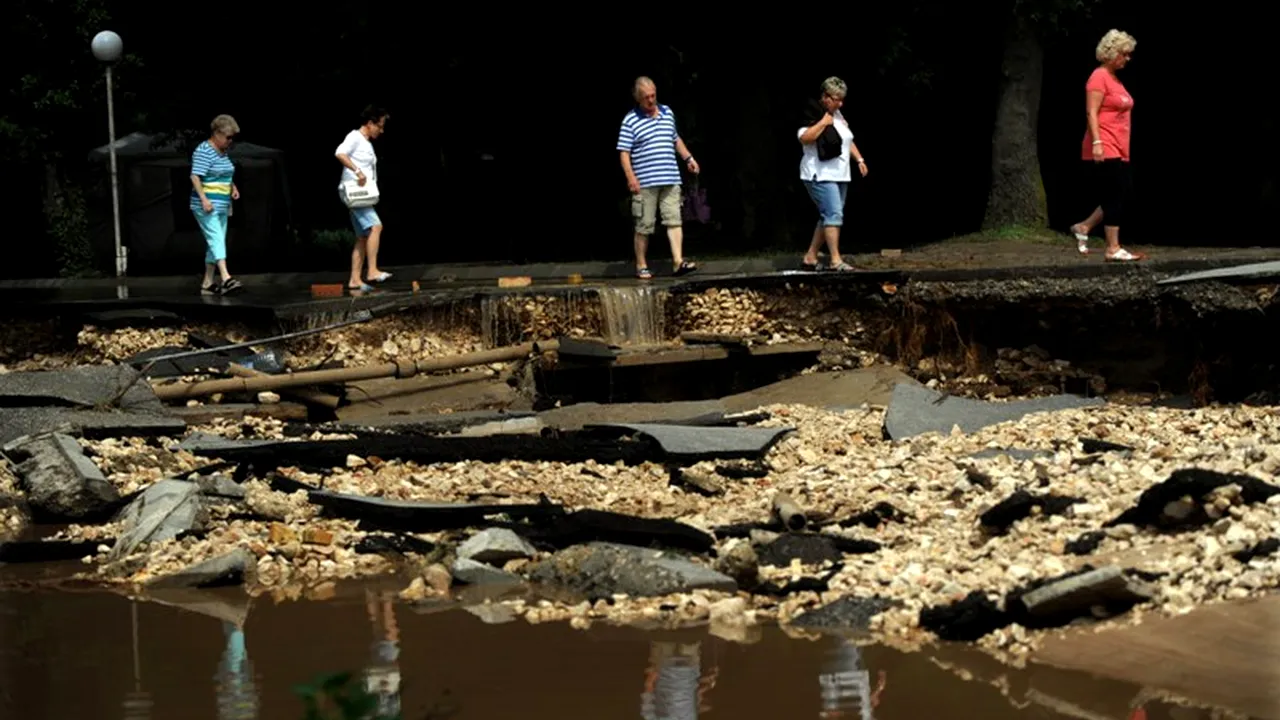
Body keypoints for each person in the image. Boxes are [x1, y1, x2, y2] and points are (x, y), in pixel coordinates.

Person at [617, 76, 700, 280]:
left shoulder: (667, 112)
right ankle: (641, 264)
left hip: (670, 177)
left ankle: (678, 261)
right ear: (638, 98)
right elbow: (624, 152)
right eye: (646, 97)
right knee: (644, 224)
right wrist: (631, 177)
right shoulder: (630, 120)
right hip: (645, 181)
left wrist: (688, 157)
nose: (651, 100)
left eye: (653, 95)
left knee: (674, 219)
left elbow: (675, 138)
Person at [1070, 30, 1143, 262]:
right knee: (1114, 193)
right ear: (1112, 53)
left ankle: (1084, 226)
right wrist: (1097, 142)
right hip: (1105, 142)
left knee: (1122, 192)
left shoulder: (1115, 79)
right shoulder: (1098, 76)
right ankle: (1112, 248)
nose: (1127, 59)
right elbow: (1091, 111)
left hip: (1121, 146)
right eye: (1124, 54)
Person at [798, 77, 868, 273]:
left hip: (840, 174)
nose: (840, 103)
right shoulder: (813, 113)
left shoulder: (838, 115)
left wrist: (859, 159)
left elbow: (848, 140)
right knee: (833, 214)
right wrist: (823, 123)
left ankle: (810, 257)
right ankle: (836, 260)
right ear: (825, 97)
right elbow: (805, 138)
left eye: (841, 99)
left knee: (828, 215)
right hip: (819, 174)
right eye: (836, 99)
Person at [335, 106, 391, 291]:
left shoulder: (366, 142)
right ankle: (372, 271)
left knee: (362, 237)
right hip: (354, 193)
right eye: (379, 126)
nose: (381, 131)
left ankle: (354, 280)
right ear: (370, 123)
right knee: (376, 226)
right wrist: (357, 171)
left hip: (362, 195)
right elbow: (339, 153)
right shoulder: (354, 137)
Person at [190, 115, 243, 294]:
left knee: (215, 241)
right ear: (217, 134)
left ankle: (207, 282)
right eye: (228, 137)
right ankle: (226, 276)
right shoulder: (204, 150)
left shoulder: (222, 152)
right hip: (207, 205)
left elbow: (225, 173)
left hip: (222, 204)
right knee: (216, 238)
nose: (230, 141)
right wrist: (204, 199)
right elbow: (195, 176)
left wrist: (232, 187)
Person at [817, 639, 886, 720]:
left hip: (842, 676)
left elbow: (829, 714)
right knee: (852, 637)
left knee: (845, 636)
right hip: (848, 676)